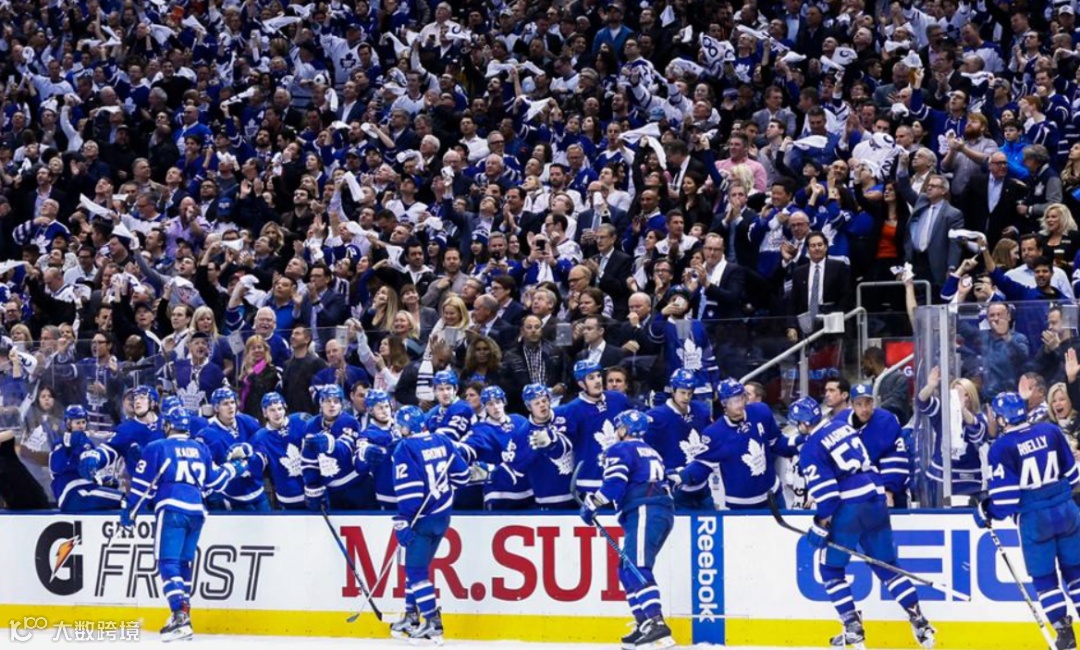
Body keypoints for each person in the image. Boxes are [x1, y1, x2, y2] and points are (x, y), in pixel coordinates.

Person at [789, 396, 935, 650]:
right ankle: (920, 622)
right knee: (887, 564)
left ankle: (853, 629)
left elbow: (828, 496)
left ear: (803, 424)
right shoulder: (842, 425)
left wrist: (820, 525)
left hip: (849, 507)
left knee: (831, 570)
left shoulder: (810, 448)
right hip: (876, 497)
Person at [124, 407, 247, 641]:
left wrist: (130, 510)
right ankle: (183, 617)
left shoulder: (157, 447)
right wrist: (235, 468)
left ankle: (179, 615)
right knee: (183, 563)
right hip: (197, 511)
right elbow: (215, 482)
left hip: (172, 508)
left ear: (168, 425)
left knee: (168, 562)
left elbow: (143, 486)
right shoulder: (200, 448)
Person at [974, 392, 1080, 649]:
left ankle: (1065, 634)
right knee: (1076, 572)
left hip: (1035, 520)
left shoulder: (1001, 447)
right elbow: (1074, 477)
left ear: (1002, 419)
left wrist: (986, 512)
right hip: (1067, 511)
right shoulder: (1050, 430)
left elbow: (1006, 500)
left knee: (1045, 579)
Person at [579, 410, 676, 650]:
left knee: (636, 567)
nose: (616, 432)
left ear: (624, 429)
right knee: (624, 569)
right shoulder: (650, 450)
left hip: (645, 510)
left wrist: (593, 503)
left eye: (618, 427)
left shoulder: (620, 449)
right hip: (657, 512)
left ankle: (656, 623)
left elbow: (615, 484)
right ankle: (643, 624)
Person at [387, 405, 470, 642]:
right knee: (418, 566)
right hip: (442, 517)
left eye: (401, 425)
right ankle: (411, 616)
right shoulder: (443, 440)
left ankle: (433, 623)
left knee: (415, 571)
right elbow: (463, 477)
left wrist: (403, 520)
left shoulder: (405, 448)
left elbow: (410, 491)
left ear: (407, 426)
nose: (399, 429)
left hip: (420, 519)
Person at [670, 379, 799, 509]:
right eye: (734, 401)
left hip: (774, 496)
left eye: (742, 397)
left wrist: (797, 444)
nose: (740, 403)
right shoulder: (714, 433)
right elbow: (702, 465)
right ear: (724, 403)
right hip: (742, 505)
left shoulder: (761, 411)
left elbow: (776, 442)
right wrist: (683, 476)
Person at [560, 360, 631, 497]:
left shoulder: (618, 399)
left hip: (620, 478)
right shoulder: (572, 410)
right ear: (581, 384)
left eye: (598, 376)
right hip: (590, 481)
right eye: (591, 378)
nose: (597, 381)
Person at [645, 369, 713, 510]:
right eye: (682, 392)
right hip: (675, 490)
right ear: (673, 390)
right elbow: (647, 452)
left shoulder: (701, 411)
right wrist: (665, 472)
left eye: (690, 393)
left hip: (702, 487)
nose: (686, 397)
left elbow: (710, 444)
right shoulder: (656, 416)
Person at [838, 385, 912, 507]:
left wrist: (888, 490)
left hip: (888, 491)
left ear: (873, 402)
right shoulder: (839, 423)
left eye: (868, 403)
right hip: (853, 492)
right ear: (851, 405)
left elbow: (896, 458)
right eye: (859, 404)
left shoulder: (887, 421)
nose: (864, 409)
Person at [196, 388, 265, 510]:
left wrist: (250, 452)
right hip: (232, 496)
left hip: (258, 490)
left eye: (232, 402)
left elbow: (263, 447)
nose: (231, 407)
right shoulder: (207, 434)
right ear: (216, 408)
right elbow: (206, 467)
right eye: (225, 404)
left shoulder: (248, 422)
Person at [301, 384, 367, 510]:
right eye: (328, 401)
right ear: (321, 403)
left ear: (341, 404)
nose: (332, 405)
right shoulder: (310, 425)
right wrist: (312, 484)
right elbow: (308, 458)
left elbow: (345, 451)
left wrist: (329, 443)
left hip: (356, 485)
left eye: (336, 401)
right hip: (331, 490)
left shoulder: (350, 422)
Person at [241, 392, 310, 510]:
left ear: (285, 408)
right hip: (288, 498)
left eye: (279, 408)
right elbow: (256, 466)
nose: (277, 413)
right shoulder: (259, 438)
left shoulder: (301, 421)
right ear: (265, 413)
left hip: (314, 492)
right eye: (272, 410)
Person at [51, 405, 123, 512]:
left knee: (117, 495)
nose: (81, 426)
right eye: (77, 423)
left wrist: (101, 481)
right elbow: (57, 468)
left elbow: (89, 473)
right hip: (71, 494)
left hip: (85, 490)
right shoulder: (60, 443)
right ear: (68, 423)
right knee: (123, 500)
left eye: (83, 422)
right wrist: (71, 450)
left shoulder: (87, 443)